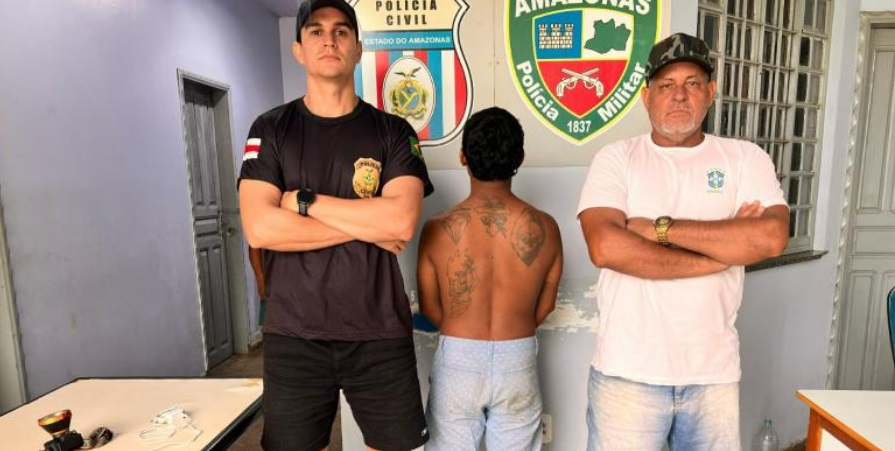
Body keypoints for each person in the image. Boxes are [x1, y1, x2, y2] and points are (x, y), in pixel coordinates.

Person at [577, 33, 789, 450]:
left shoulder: (744, 158)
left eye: (692, 83)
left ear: (711, 92)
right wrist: (720, 253)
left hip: (712, 375)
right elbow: (605, 247)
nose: (679, 95)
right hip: (627, 374)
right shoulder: (617, 159)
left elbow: (770, 237)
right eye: (666, 85)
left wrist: (661, 228)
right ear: (646, 96)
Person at [237, 0, 433, 449]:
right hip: (294, 334)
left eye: (341, 31)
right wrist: (368, 224)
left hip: (379, 330)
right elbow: (261, 229)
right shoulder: (270, 129)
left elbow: (400, 221)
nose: (329, 40)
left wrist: (303, 202)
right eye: (316, 31)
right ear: (298, 49)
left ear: (359, 48)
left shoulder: (393, 131)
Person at [417, 107, 563, 451]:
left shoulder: (437, 229)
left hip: (457, 358)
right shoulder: (546, 227)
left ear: (463, 157)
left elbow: (430, 308)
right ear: (520, 158)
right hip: (518, 357)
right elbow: (545, 306)